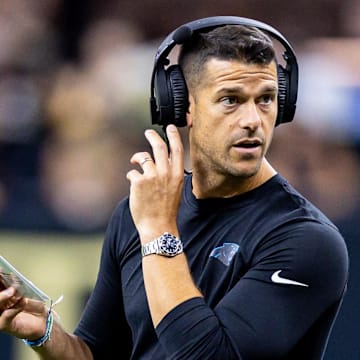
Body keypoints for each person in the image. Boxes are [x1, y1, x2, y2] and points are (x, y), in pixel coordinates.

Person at [0, 16, 349, 360]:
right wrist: (45, 335)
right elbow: (97, 353)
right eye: (231, 99)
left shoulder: (307, 239)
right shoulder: (136, 213)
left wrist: (159, 232)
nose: (252, 120)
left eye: (266, 99)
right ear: (183, 106)